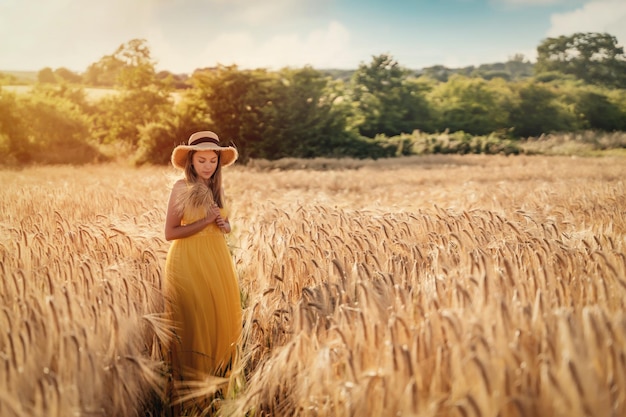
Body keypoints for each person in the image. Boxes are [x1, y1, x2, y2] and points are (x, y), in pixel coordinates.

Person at [163, 131, 242, 389]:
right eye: (202, 160)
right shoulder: (181, 188)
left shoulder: (216, 187)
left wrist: (224, 224)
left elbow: (225, 225)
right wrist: (206, 221)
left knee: (218, 317)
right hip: (188, 259)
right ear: (191, 161)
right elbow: (170, 233)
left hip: (217, 258)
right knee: (194, 321)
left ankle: (217, 385)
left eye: (212, 160)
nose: (208, 166)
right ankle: (190, 389)